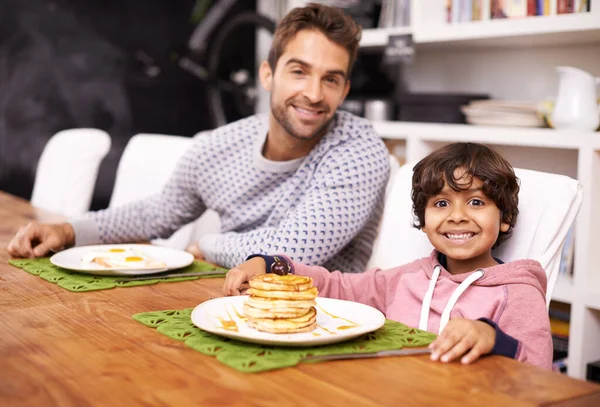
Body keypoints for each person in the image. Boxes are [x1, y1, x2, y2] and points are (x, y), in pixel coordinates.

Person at [7, 3, 390, 272]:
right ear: (268, 74)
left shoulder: (358, 150)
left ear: (344, 90)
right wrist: (71, 230)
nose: (314, 93)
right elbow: (157, 213)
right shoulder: (219, 147)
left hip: (322, 320)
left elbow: (292, 253)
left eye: (331, 79)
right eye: (299, 72)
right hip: (222, 300)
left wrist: (207, 247)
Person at [223, 142, 553, 370]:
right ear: (423, 221)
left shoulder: (518, 291)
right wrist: (271, 264)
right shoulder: (406, 279)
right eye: (441, 203)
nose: (457, 216)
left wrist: (494, 339)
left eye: (476, 202)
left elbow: (539, 372)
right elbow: (339, 288)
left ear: (505, 217)